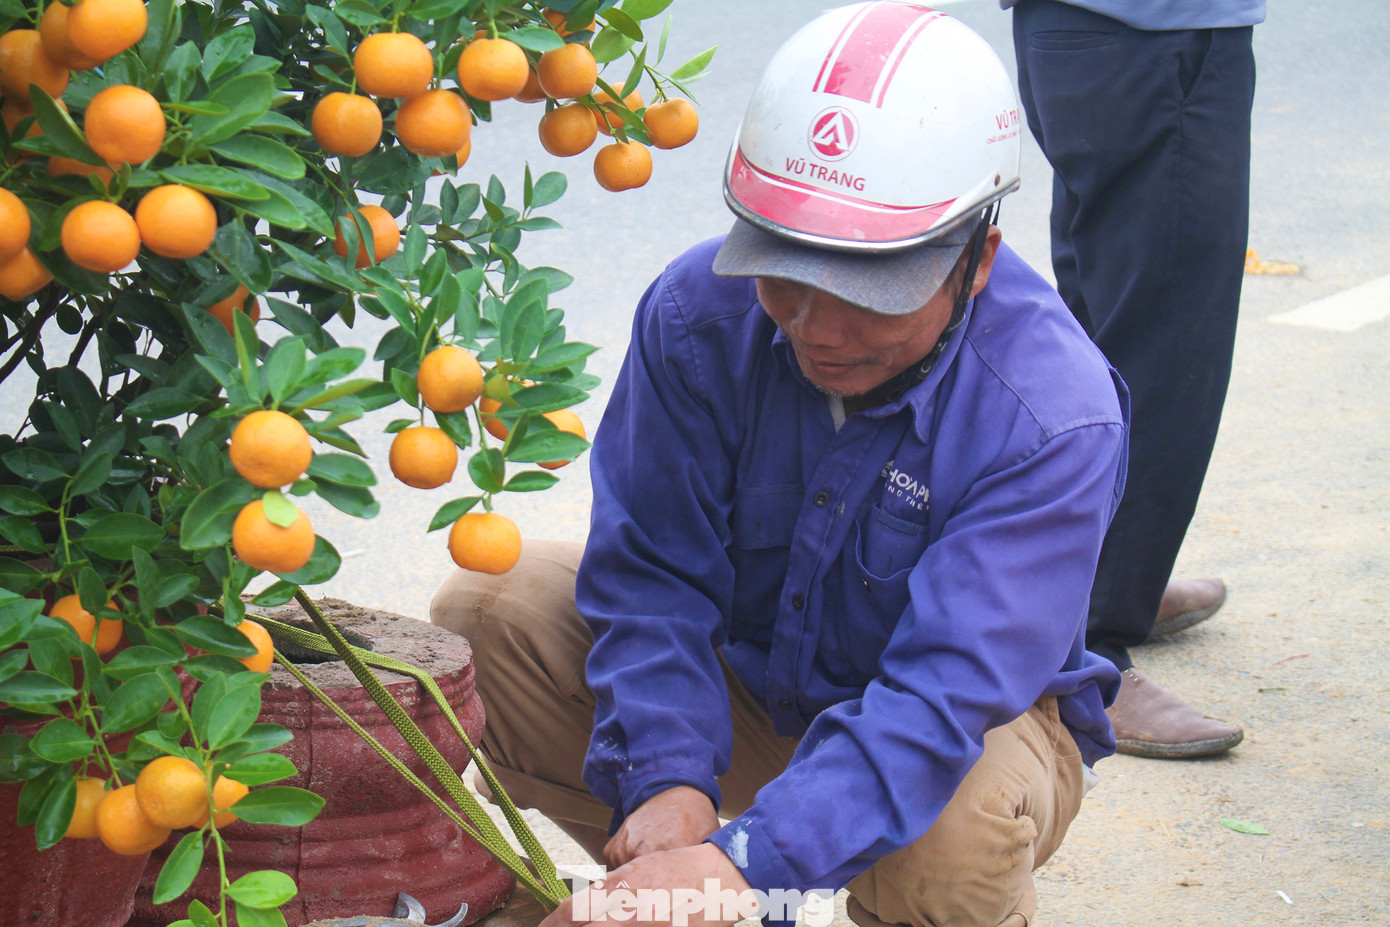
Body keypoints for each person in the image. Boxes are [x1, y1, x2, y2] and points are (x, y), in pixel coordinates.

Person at [433, 4, 1127, 926]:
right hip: (754, 691)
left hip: (955, 728)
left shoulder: (1053, 418)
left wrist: (740, 865)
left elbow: (936, 700)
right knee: (490, 611)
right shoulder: (696, 315)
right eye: (787, 276)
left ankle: (749, 886)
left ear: (978, 259)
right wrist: (667, 780)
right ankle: (683, 885)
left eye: (870, 294)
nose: (818, 328)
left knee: (953, 827)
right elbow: (650, 572)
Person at [1007, 0, 1263, 758]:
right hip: (1153, 32)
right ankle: (1089, 644)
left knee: (1104, 328)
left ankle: (1095, 587)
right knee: (1168, 339)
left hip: (1092, 30)